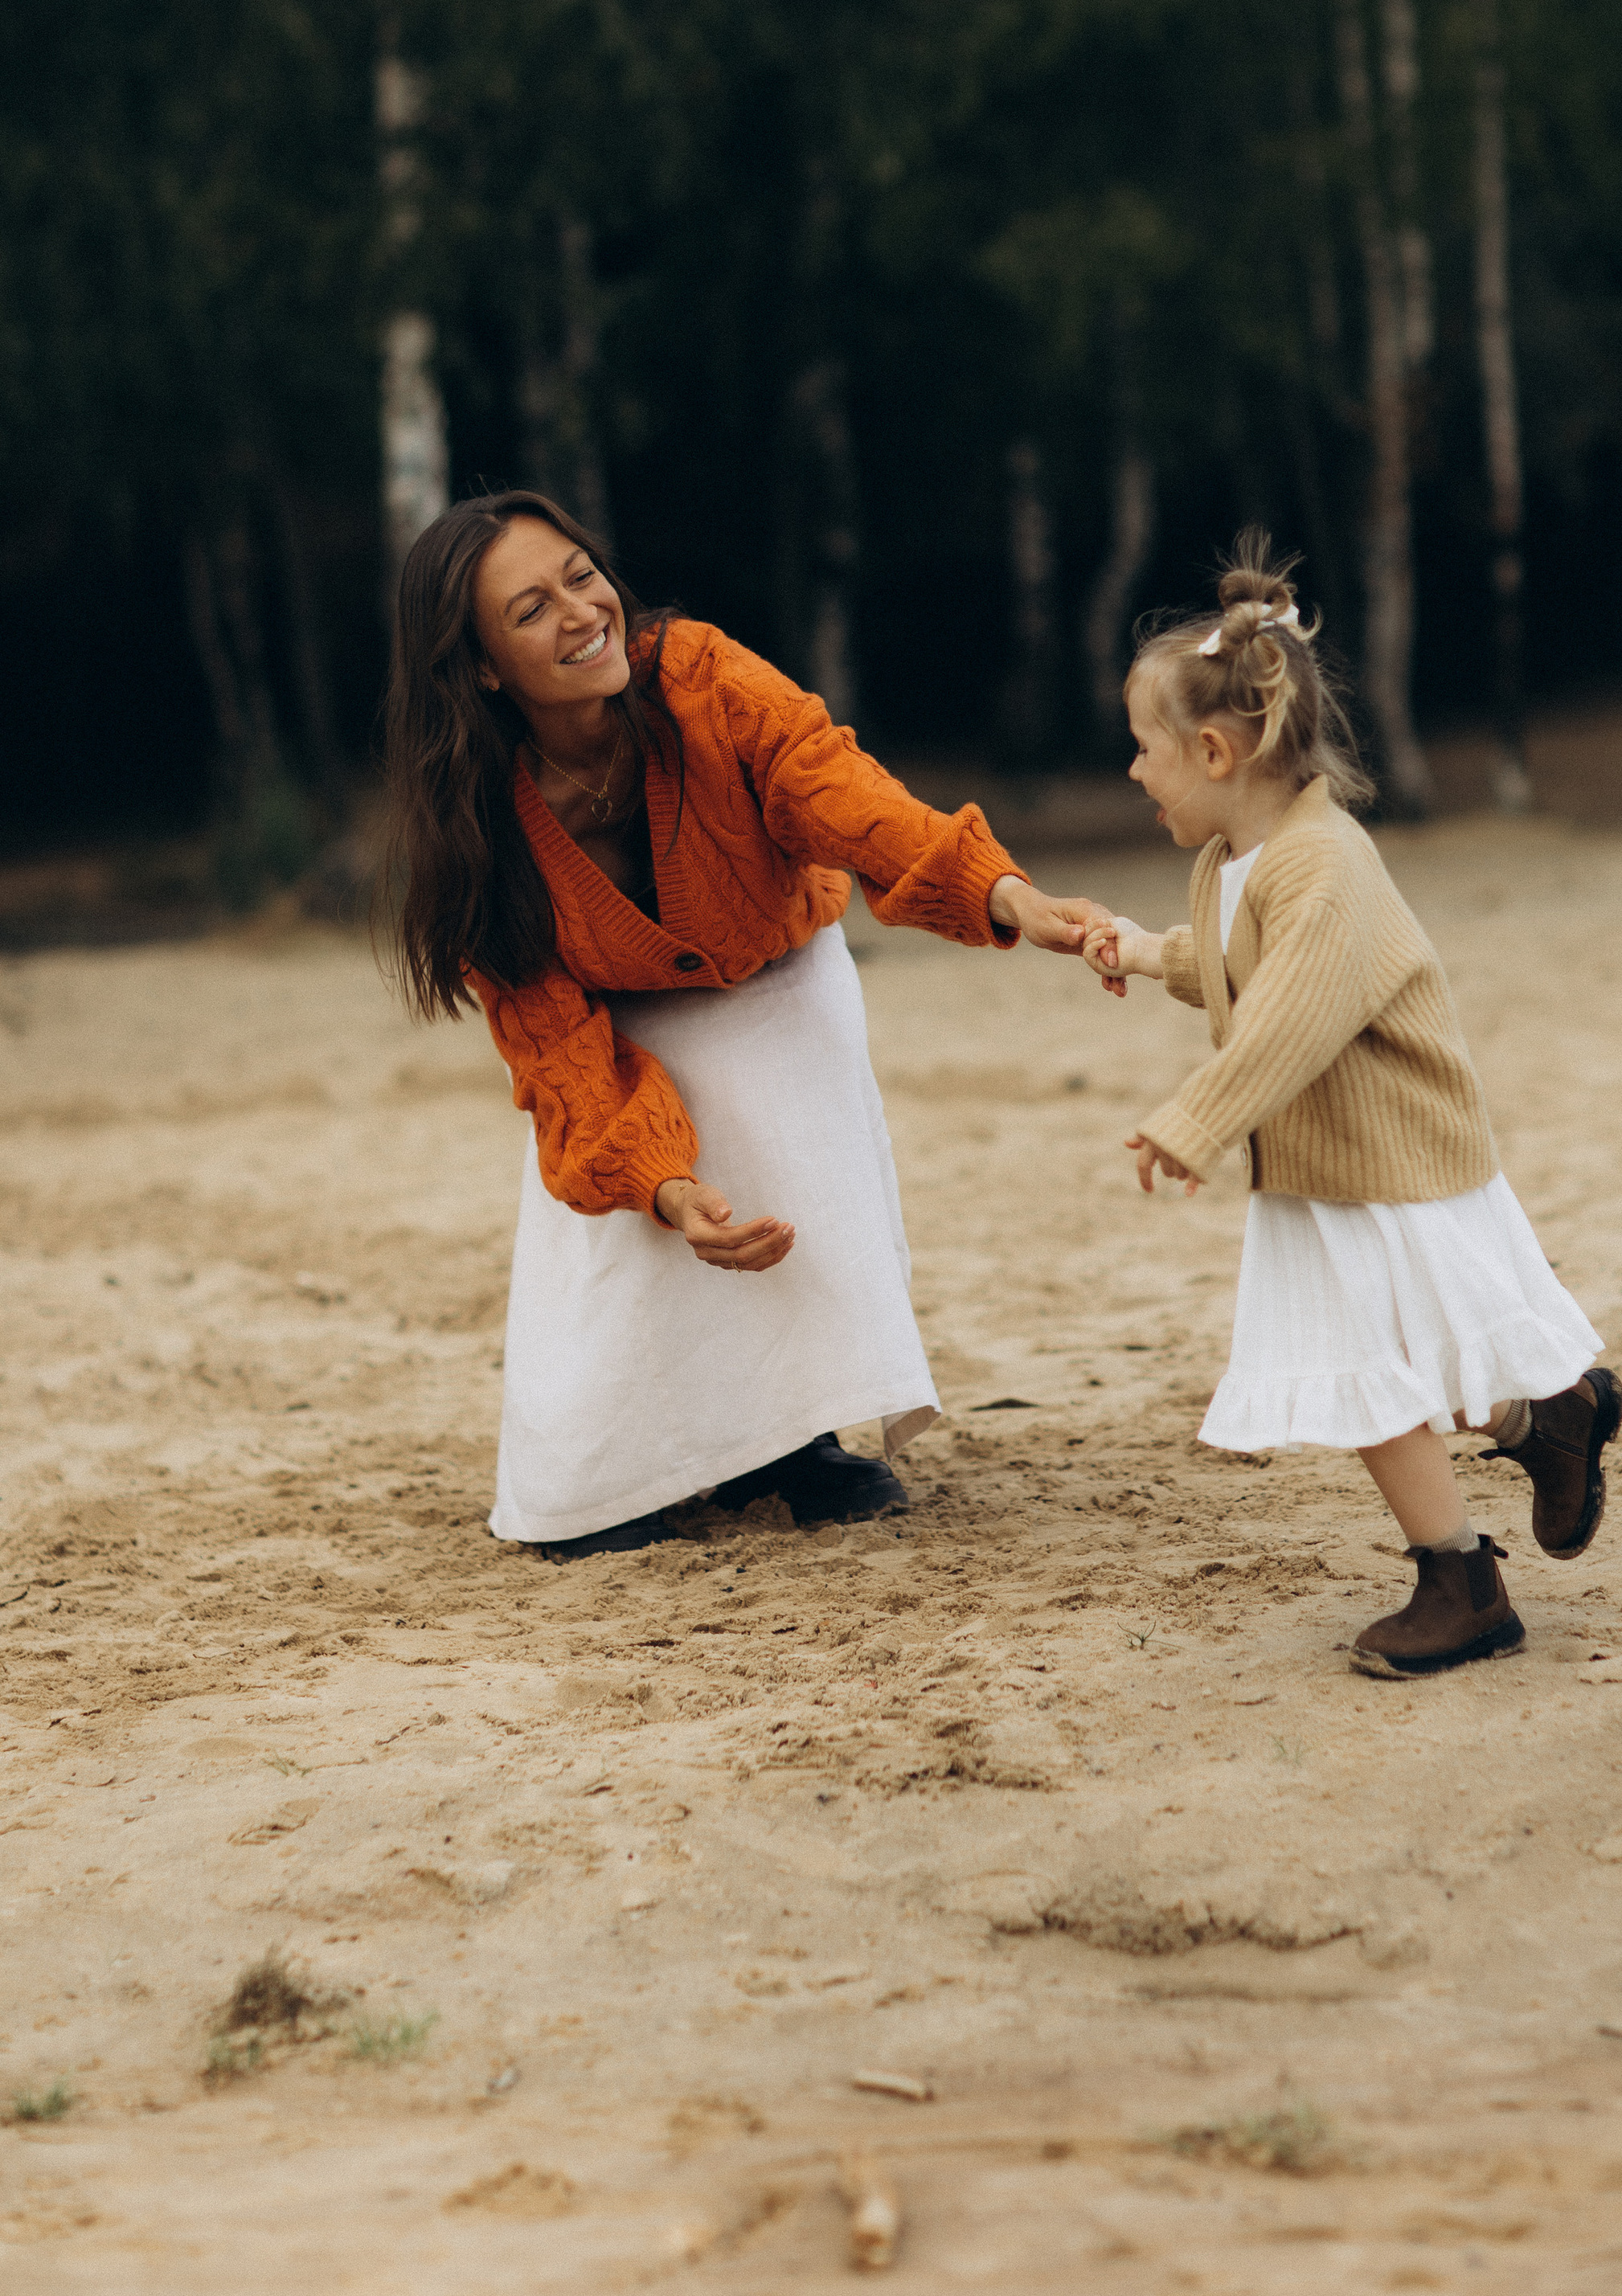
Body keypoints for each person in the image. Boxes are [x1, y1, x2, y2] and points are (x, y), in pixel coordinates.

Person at [381, 491, 1108, 1549]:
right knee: (614, 1225)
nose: (581, 613)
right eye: (531, 610)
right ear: (483, 667)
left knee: (780, 1140)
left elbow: (838, 789)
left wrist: (1003, 895)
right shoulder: (478, 832)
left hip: (777, 964)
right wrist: (667, 1190)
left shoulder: (698, 674)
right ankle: (604, 1472)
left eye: (582, 576)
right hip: (615, 1017)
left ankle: (795, 1443)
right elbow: (560, 1058)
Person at [1083, 534, 1622, 1677]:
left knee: (1392, 1365)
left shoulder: (1323, 865)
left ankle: (1466, 1582)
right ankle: (1547, 1431)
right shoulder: (1240, 858)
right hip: (1326, 1167)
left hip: (1390, 1163)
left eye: (1145, 750)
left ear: (1216, 751)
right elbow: (1241, 966)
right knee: (1399, 1362)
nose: (1133, 771)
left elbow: (1291, 1017)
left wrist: (1193, 1122)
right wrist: (1140, 949)